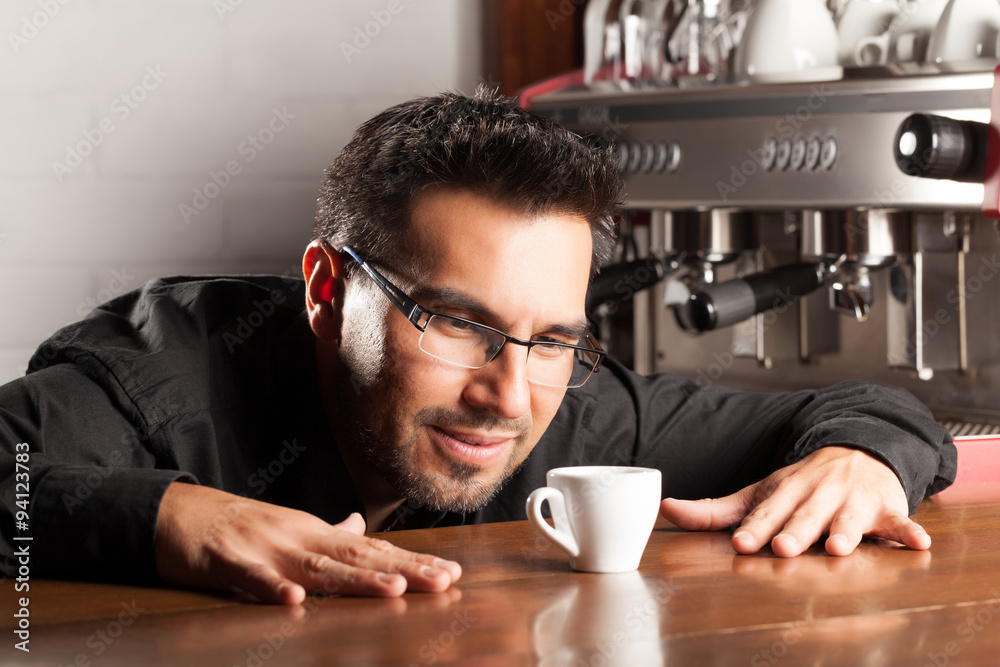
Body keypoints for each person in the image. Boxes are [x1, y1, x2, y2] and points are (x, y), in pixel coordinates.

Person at [0, 88, 955, 605]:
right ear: (330, 292)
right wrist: (172, 519)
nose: (508, 395)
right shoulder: (158, 377)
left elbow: (857, 409)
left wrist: (860, 459)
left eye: (551, 339)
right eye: (458, 322)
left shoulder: (567, 401)